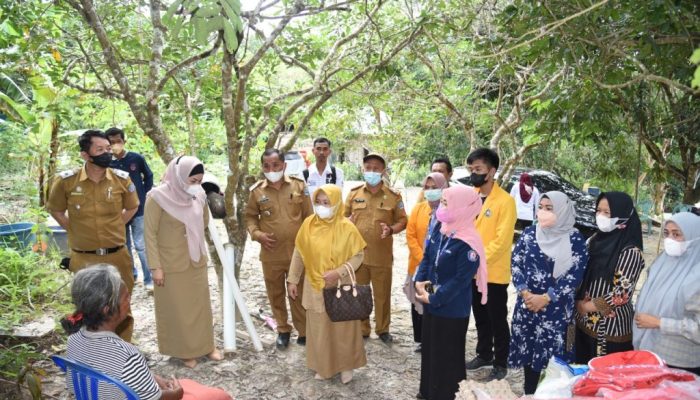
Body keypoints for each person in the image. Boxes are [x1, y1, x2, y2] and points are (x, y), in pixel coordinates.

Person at [61, 264, 231, 400]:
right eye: (126, 297)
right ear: (107, 310)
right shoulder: (127, 354)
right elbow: (161, 398)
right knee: (218, 395)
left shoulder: (74, 340)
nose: (130, 300)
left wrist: (149, 377)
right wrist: (177, 393)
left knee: (188, 383)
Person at [47, 129, 139, 342]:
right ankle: (91, 353)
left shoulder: (121, 179)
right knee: (88, 309)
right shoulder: (66, 181)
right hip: (84, 258)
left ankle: (123, 352)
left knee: (122, 307)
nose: (107, 153)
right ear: (86, 155)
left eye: (108, 148)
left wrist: (116, 225)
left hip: (117, 256)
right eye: (100, 149)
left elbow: (133, 207)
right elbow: (56, 210)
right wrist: (75, 229)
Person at [144, 155, 223, 368]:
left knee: (200, 307)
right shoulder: (157, 197)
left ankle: (207, 346)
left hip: (195, 259)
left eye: (199, 181)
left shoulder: (198, 196)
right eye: (192, 181)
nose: (196, 185)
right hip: (170, 263)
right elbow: (149, 233)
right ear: (179, 177)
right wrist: (155, 267)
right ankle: (184, 352)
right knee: (178, 308)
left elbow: (204, 222)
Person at [508, 192, 589, 395]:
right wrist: (525, 292)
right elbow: (516, 262)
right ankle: (529, 393)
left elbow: (575, 274)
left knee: (555, 363)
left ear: (562, 210)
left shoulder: (575, 239)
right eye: (541, 207)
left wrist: (546, 297)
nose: (542, 212)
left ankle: (550, 395)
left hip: (556, 311)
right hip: (527, 307)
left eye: (549, 208)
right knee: (529, 355)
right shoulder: (529, 233)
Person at [287, 184, 367, 384]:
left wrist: (338, 273)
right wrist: (293, 279)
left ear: (337, 204)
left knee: (344, 329)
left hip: (341, 287)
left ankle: (346, 366)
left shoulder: (347, 228)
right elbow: (299, 253)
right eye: (319, 202)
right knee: (319, 329)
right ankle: (323, 366)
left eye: (327, 203)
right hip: (315, 285)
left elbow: (358, 256)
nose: (322, 207)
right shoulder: (308, 224)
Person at [414, 185, 487, 400]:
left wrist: (434, 297)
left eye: (447, 203)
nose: (442, 207)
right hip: (431, 300)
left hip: (452, 308)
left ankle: (446, 396)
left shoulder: (469, 242)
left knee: (448, 357)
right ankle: (427, 392)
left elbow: (460, 281)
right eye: (443, 202)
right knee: (430, 351)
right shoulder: (441, 227)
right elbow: (428, 255)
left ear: (462, 207)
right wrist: (420, 280)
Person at [245, 148, 312, 348]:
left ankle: (304, 331)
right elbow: (249, 217)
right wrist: (257, 234)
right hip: (271, 254)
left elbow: (309, 217)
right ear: (262, 167)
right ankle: (283, 329)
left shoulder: (299, 186)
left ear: (284, 165)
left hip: (297, 254)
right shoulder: (257, 191)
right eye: (266, 166)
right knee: (275, 293)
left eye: (275, 165)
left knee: (299, 293)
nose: (271, 169)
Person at [465, 148, 517, 380]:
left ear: (492, 171)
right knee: (480, 316)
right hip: (472, 272)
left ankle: (500, 363)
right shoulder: (471, 197)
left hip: (493, 273)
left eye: (478, 169)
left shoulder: (505, 201)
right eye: (471, 169)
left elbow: (502, 240)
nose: (474, 173)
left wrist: (477, 260)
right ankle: (483, 354)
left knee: (497, 318)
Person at [574, 192, 645, 363]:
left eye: (607, 212)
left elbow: (621, 293)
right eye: (599, 211)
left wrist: (588, 306)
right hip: (584, 322)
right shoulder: (594, 240)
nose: (601, 216)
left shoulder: (630, 251)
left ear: (622, 215)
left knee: (605, 380)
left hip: (610, 330)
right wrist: (579, 303)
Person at [344, 153, 408, 343]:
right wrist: (346, 222)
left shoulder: (394, 197)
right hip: (358, 256)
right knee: (360, 293)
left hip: (382, 255)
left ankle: (383, 329)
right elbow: (341, 218)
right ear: (363, 170)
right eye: (368, 167)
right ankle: (363, 328)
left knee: (382, 295)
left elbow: (403, 220)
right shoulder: (353, 194)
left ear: (383, 171)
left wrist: (391, 229)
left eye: (376, 168)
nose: (371, 171)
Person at [634, 212, 700, 375]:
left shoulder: (696, 275)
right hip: (649, 351)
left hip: (678, 363)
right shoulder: (663, 261)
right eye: (666, 233)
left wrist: (659, 322)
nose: (670, 239)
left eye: (677, 234)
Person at [107, 127, 155, 290]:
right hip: (118, 211)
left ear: (124, 141)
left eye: (118, 141)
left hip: (139, 209)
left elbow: (148, 176)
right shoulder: (106, 163)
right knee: (124, 246)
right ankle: (131, 276)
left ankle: (149, 280)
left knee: (141, 245)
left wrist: (145, 194)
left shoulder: (136, 158)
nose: (115, 145)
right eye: (111, 142)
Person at [405, 172, 448, 353]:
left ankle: (437, 339)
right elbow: (410, 234)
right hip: (421, 268)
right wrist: (423, 257)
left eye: (435, 188)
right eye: (427, 188)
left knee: (434, 303)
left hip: (438, 273)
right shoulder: (419, 209)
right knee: (421, 303)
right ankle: (423, 340)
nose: (430, 192)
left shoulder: (449, 212)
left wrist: (432, 260)